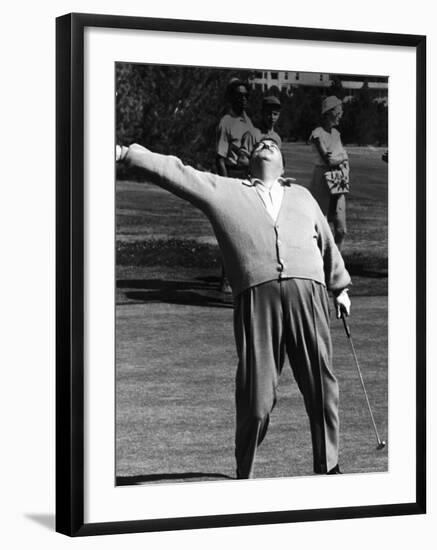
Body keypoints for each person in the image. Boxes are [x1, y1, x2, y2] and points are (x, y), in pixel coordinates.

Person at [116, 137, 351, 479]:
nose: (265, 145)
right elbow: (177, 172)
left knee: (321, 387)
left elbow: (327, 242)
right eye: (259, 145)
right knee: (256, 401)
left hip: (309, 296)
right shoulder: (224, 191)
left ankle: (329, 467)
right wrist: (126, 154)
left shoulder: (302, 196)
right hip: (257, 302)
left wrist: (340, 286)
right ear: (249, 162)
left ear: (284, 164)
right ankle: (245, 473)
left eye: (272, 144)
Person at [216, 78, 255, 293]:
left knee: (246, 231)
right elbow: (219, 157)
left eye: (246, 95)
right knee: (230, 231)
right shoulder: (226, 122)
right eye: (239, 95)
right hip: (231, 177)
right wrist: (225, 187)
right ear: (231, 97)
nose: (243, 99)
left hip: (247, 179)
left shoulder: (248, 122)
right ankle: (226, 278)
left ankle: (241, 276)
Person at [308, 96, 349, 251]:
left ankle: (335, 262)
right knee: (321, 225)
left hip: (338, 180)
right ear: (330, 112)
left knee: (341, 229)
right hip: (321, 180)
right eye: (339, 110)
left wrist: (340, 158)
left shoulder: (336, 134)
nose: (341, 113)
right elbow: (329, 160)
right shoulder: (317, 133)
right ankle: (321, 263)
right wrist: (343, 156)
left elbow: (336, 159)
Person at [239, 95, 282, 164]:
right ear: (262, 113)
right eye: (268, 113)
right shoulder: (251, 135)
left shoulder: (277, 139)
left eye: (275, 114)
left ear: (279, 115)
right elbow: (242, 160)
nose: (272, 117)